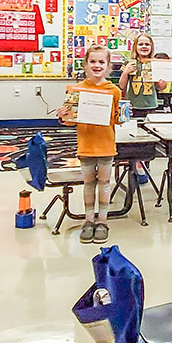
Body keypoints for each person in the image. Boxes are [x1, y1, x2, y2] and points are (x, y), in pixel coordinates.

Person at [56, 45, 122, 245]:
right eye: (92, 61)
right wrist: (63, 116)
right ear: (85, 65)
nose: (97, 65)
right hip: (85, 146)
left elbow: (117, 118)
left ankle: (102, 221)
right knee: (88, 184)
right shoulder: (76, 90)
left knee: (104, 184)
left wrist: (125, 115)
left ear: (108, 66)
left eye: (101, 62)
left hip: (106, 146)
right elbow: (69, 121)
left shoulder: (114, 90)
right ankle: (88, 220)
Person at [118, 33, 167, 185]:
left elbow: (162, 87)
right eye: (141, 44)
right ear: (135, 47)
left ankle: (145, 165)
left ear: (151, 47)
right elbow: (121, 85)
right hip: (133, 106)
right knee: (133, 138)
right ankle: (136, 164)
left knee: (148, 139)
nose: (144, 47)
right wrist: (126, 72)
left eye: (147, 44)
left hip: (150, 106)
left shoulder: (155, 63)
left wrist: (161, 80)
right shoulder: (130, 63)